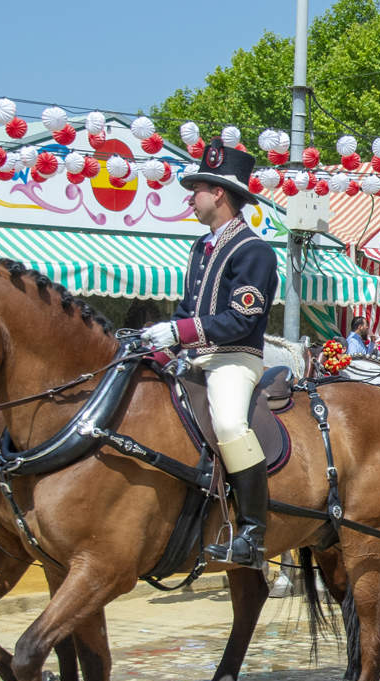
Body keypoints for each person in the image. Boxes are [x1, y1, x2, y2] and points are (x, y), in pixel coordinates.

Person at [141, 140, 277, 568]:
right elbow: (190, 308)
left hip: (234, 358)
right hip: (195, 358)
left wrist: (180, 330)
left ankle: (254, 530)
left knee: (229, 424)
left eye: (196, 188)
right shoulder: (201, 248)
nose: (190, 196)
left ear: (218, 193)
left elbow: (241, 319)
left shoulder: (253, 251)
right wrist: (161, 343)